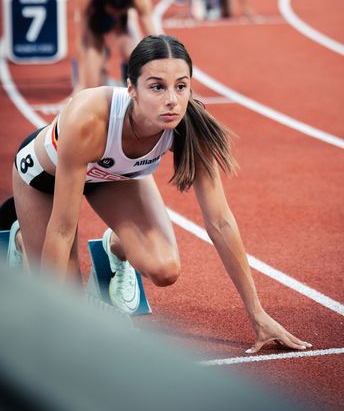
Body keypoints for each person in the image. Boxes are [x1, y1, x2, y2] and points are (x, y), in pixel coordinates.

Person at [8, 35, 312, 354]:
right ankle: (23, 240)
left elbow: (220, 222)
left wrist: (257, 313)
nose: (172, 100)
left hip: (114, 177)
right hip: (43, 179)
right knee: (64, 312)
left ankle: (114, 247)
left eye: (181, 86)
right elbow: (63, 229)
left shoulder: (189, 126)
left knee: (166, 269)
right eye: (157, 87)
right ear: (131, 88)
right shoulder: (89, 117)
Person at [74, 0, 157, 90]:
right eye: (113, 12)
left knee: (135, 54)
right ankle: (98, 70)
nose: (116, 15)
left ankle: (128, 80)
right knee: (91, 80)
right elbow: (82, 39)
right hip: (96, 21)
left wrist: (157, 59)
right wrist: (82, 79)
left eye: (119, 12)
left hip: (123, 23)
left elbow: (152, 34)